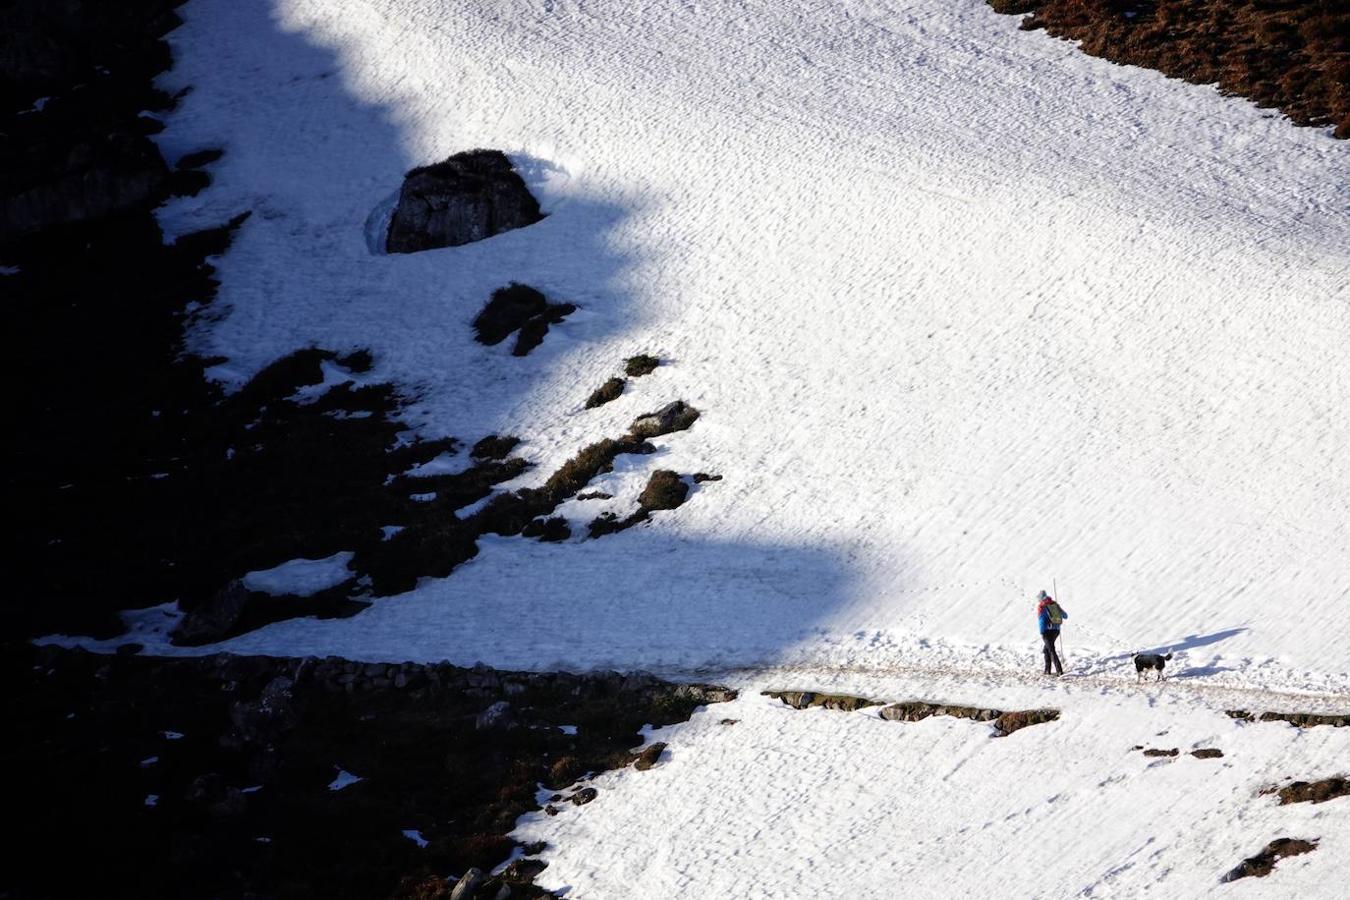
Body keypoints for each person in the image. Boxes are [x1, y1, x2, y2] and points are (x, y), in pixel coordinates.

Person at [1036, 589, 1068, 676]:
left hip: (1046, 632)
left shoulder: (1042, 606)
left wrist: (1042, 632)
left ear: (1041, 598)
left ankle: (1059, 670)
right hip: (1056, 631)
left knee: (1051, 650)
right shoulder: (1054, 604)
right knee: (1046, 650)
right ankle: (1047, 670)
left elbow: (1041, 620)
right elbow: (1065, 616)